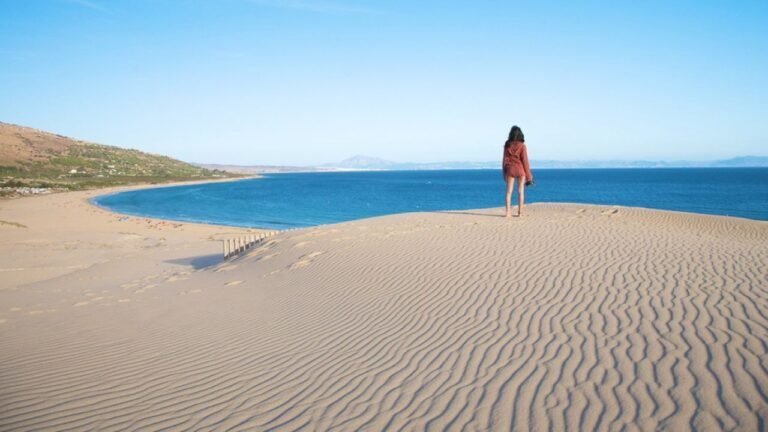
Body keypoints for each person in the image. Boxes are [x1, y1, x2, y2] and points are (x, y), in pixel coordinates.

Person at [502, 125, 533, 217]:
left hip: (510, 169)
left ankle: (508, 213)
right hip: (520, 169)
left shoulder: (507, 145)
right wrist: (529, 177)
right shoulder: (522, 146)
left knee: (508, 192)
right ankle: (520, 213)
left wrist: (504, 173)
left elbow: (504, 160)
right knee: (520, 192)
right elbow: (525, 161)